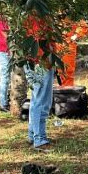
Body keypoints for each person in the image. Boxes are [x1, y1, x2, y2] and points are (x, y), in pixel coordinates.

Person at [23, 13, 55, 152]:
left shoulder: (29, 17)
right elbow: (40, 43)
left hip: (37, 62)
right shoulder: (38, 19)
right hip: (40, 63)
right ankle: (39, 139)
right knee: (41, 101)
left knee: (38, 99)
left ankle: (33, 135)